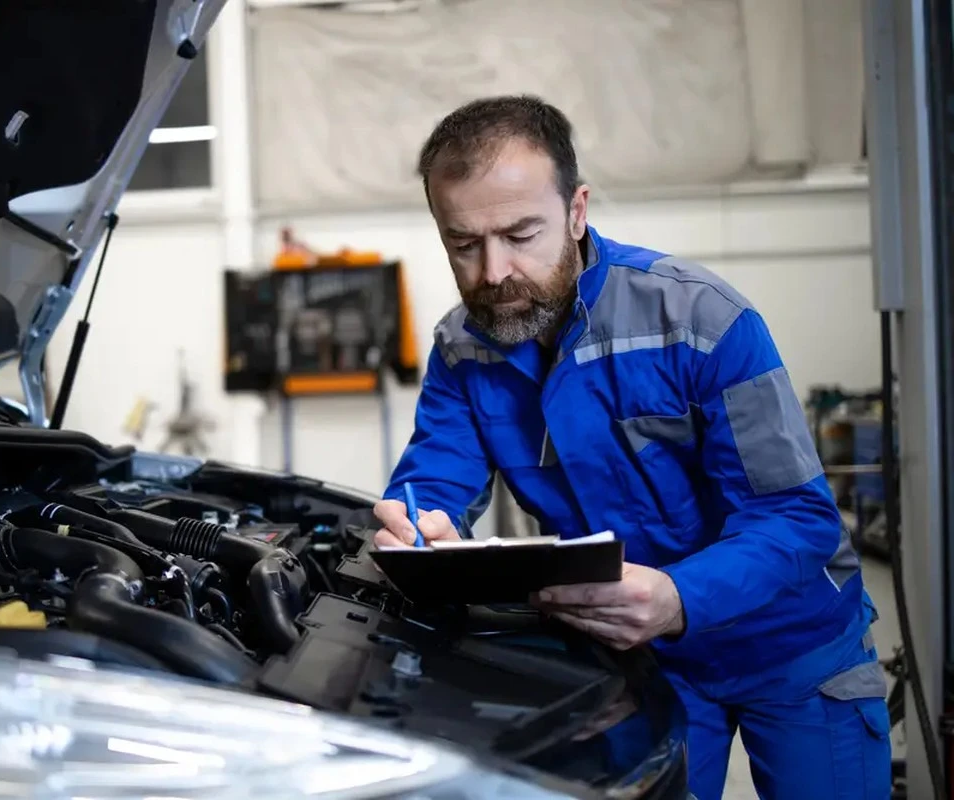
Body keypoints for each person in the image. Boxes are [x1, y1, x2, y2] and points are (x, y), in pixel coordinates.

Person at [373, 95, 891, 799]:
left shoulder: (702, 319)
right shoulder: (463, 351)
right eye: (464, 244)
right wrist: (417, 528)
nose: (494, 273)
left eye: (522, 234)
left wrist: (680, 595)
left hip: (794, 646)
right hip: (643, 658)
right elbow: (432, 482)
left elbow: (797, 520)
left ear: (577, 211)